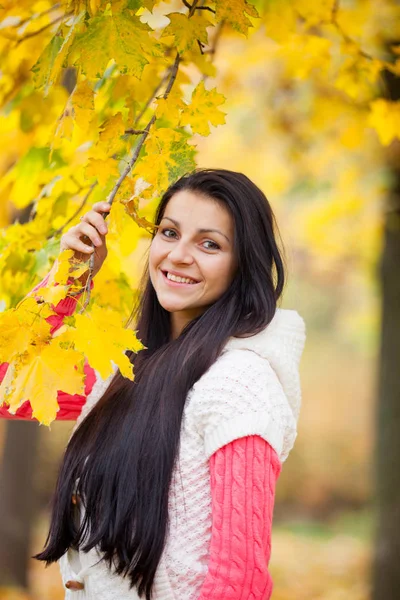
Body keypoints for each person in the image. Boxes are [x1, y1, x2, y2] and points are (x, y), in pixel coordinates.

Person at [0, 168, 306, 599]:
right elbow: (11, 386)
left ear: (243, 266)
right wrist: (66, 283)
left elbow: (239, 583)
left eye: (209, 244)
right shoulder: (126, 369)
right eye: (168, 232)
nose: (178, 255)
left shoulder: (240, 383)